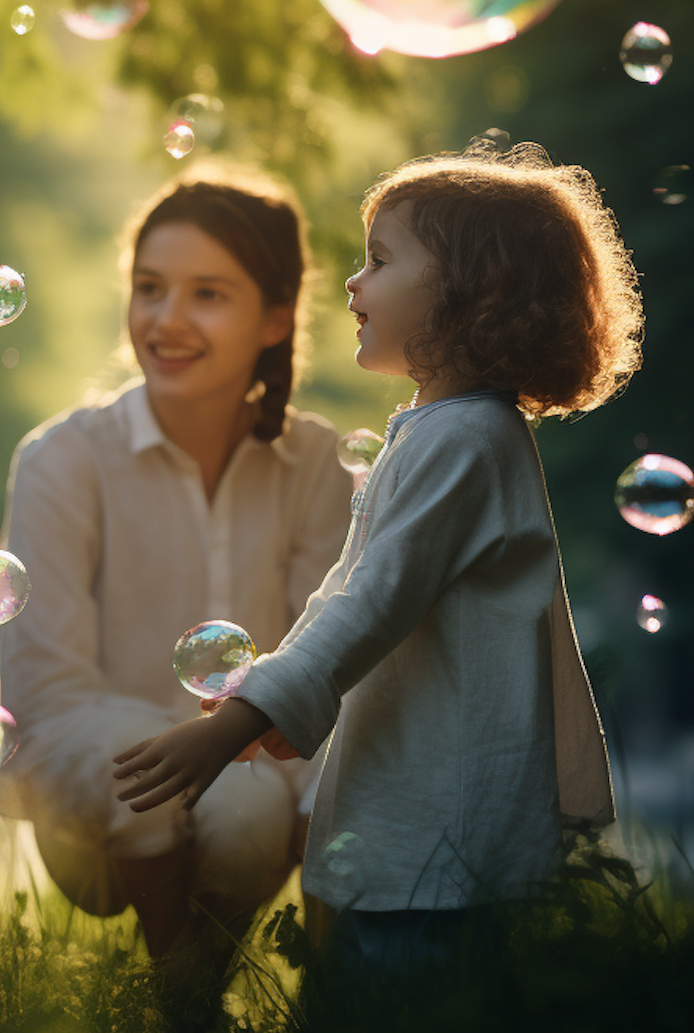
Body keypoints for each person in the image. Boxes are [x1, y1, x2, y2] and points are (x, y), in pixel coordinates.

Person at [112, 146, 637, 984]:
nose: (354, 284)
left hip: (445, 819)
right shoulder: (440, 427)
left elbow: (375, 601)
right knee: (370, 1013)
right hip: (411, 792)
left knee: (414, 1027)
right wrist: (269, 703)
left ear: (476, 293)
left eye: (381, 261)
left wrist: (236, 722)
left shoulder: (467, 437)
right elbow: (345, 591)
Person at [0, 168, 355, 978]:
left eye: (207, 294)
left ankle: (183, 1006)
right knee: (145, 772)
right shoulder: (63, 457)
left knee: (255, 809)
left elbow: (330, 673)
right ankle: (184, 1002)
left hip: (249, 774)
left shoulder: (316, 463)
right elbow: (46, 695)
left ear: (276, 316)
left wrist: (324, 812)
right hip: (87, 792)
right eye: (149, 288)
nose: (166, 319)